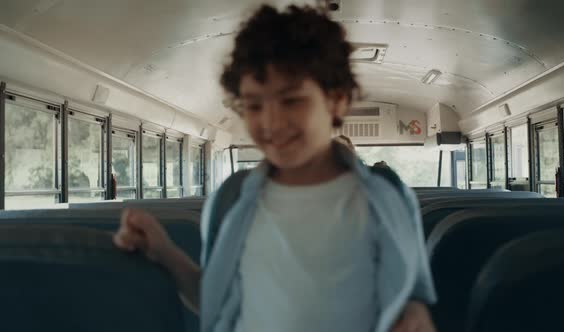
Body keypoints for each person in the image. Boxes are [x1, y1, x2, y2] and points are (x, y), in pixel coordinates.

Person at [114, 5, 436, 332]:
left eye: (291, 101)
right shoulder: (231, 199)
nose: (271, 123)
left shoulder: (387, 197)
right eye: (254, 105)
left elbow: (411, 293)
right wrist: (163, 251)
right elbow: (213, 299)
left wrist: (413, 310)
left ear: (337, 101)